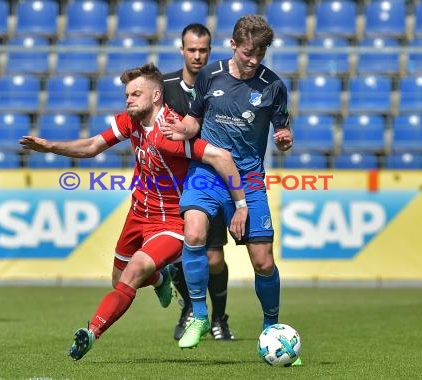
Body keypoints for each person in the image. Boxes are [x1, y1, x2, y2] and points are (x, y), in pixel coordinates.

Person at [19, 63, 247, 361]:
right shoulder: (131, 122)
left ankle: (91, 332)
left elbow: (219, 156)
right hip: (137, 215)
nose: (128, 99)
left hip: (170, 222)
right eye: (127, 94)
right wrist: (50, 147)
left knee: (134, 272)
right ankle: (162, 280)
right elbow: (90, 146)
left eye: (135, 94)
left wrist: (239, 205)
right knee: (119, 280)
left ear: (155, 96)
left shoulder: (170, 132)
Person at [161, 15, 300, 365]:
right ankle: (198, 314)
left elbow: (282, 129)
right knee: (192, 232)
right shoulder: (210, 76)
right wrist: (181, 128)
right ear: (234, 45)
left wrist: (284, 138)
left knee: (263, 261)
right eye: (249, 52)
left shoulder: (274, 86)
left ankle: (272, 330)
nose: (254, 60)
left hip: (249, 177)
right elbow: (194, 120)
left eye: (261, 53)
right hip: (207, 172)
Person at [163, 23, 235, 341]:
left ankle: (219, 318)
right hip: (172, 183)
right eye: (191, 49)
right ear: (181, 50)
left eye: (202, 50)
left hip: (208, 180)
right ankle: (192, 310)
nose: (197, 55)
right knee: (176, 254)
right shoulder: (164, 87)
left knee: (214, 258)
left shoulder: (222, 84)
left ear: (209, 50)